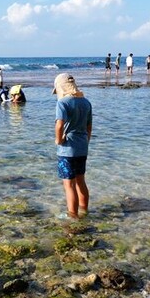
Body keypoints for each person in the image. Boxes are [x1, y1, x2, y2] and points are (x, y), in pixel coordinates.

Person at [53, 73, 92, 219]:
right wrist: (86, 142)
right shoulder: (86, 102)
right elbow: (89, 126)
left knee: (69, 185)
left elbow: (59, 125)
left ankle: (73, 215)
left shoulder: (63, 103)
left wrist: (59, 140)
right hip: (82, 147)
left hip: (67, 149)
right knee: (81, 181)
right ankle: (84, 211)